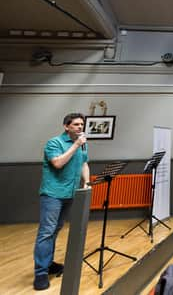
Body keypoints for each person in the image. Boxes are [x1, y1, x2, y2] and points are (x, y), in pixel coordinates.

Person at [33, 113, 90, 291]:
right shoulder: (54, 143)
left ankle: (48, 263)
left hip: (70, 193)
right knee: (46, 232)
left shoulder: (82, 143)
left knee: (56, 229)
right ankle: (40, 272)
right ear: (66, 126)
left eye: (82, 124)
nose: (80, 127)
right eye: (76, 124)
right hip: (53, 194)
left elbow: (84, 163)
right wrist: (75, 145)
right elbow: (58, 163)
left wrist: (86, 182)